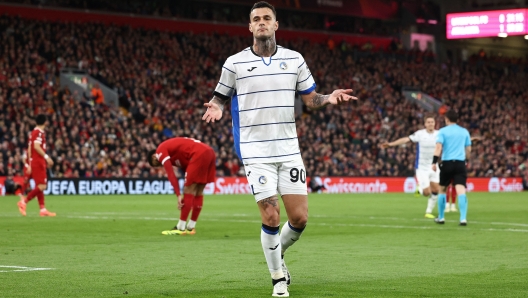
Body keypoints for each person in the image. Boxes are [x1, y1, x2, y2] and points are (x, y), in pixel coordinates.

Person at [202, 2, 357, 296]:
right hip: (255, 151)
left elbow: (311, 99)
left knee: (299, 219)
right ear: (250, 27)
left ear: (276, 24)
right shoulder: (234, 63)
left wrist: (330, 97)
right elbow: (219, 98)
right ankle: (278, 279)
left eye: (266, 18)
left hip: (288, 150)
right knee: (271, 216)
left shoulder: (294, 59)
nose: (261, 22)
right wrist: (218, 108)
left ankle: (277, 253)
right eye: (256, 19)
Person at [147, 137, 216, 235]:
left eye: (155, 164)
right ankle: (191, 227)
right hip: (209, 152)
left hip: (198, 153)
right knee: (198, 191)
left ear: (154, 157)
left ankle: (180, 227)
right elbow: (186, 168)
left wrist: (178, 195)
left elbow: (170, 174)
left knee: (188, 190)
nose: (159, 165)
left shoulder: (159, 151)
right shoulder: (176, 156)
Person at [380, 115, 439, 219]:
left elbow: (453, 140)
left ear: (435, 123)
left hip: (434, 166)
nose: (430, 124)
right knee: (427, 192)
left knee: (436, 190)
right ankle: (420, 189)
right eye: (428, 122)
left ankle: (428, 212)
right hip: (422, 167)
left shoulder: (439, 134)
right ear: (425, 124)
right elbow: (406, 140)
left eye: (432, 122)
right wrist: (391, 144)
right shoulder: (420, 134)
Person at [432, 110, 472, 226]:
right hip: (460, 163)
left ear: (447, 119)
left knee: (442, 190)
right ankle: (463, 218)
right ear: (457, 119)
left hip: (447, 163)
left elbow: (438, 147)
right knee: (461, 191)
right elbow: (468, 149)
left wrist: (434, 162)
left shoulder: (442, 131)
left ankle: (441, 217)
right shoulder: (464, 131)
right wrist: (467, 160)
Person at [17, 114, 56, 217]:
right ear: (45, 122)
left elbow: (30, 148)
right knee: (43, 186)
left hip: (35, 162)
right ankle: (24, 202)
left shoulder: (34, 132)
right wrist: (47, 157)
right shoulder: (38, 132)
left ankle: (42, 209)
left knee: (40, 186)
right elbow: (36, 147)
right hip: (38, 162)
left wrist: (30, 163)